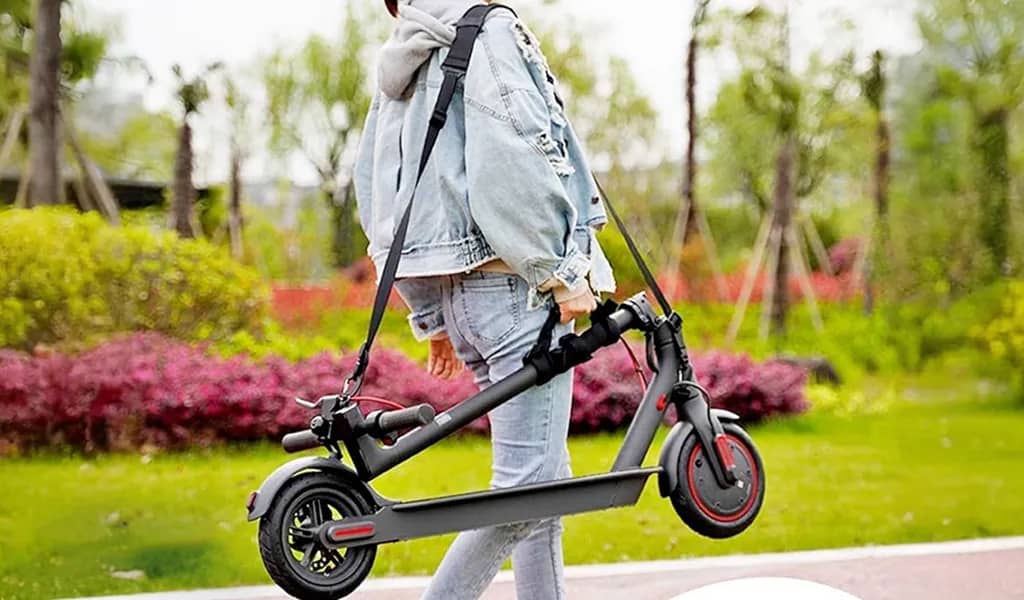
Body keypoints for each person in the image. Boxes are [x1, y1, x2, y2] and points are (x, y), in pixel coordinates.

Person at [354, 1, 616, 598]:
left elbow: (385, 198)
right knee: (524, 492)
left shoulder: (406, 55)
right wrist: (559, 269)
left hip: (463, 300)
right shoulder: (490, 32)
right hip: (514, 289)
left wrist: (430, 315)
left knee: (544, 494)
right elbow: (514, 152)